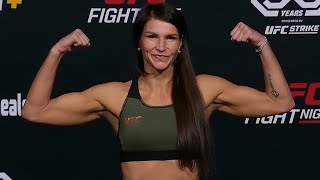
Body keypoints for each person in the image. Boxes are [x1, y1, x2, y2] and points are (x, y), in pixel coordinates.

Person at [21, 2, 295, 180]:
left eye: (170, 38)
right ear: (139, 42)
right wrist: (56, 52)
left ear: (180, 45)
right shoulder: (115, 96)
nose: (161, 47)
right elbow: (35, 111)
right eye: (152, 36)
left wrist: (262, 44)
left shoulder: (204, 90)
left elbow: (281, 103)